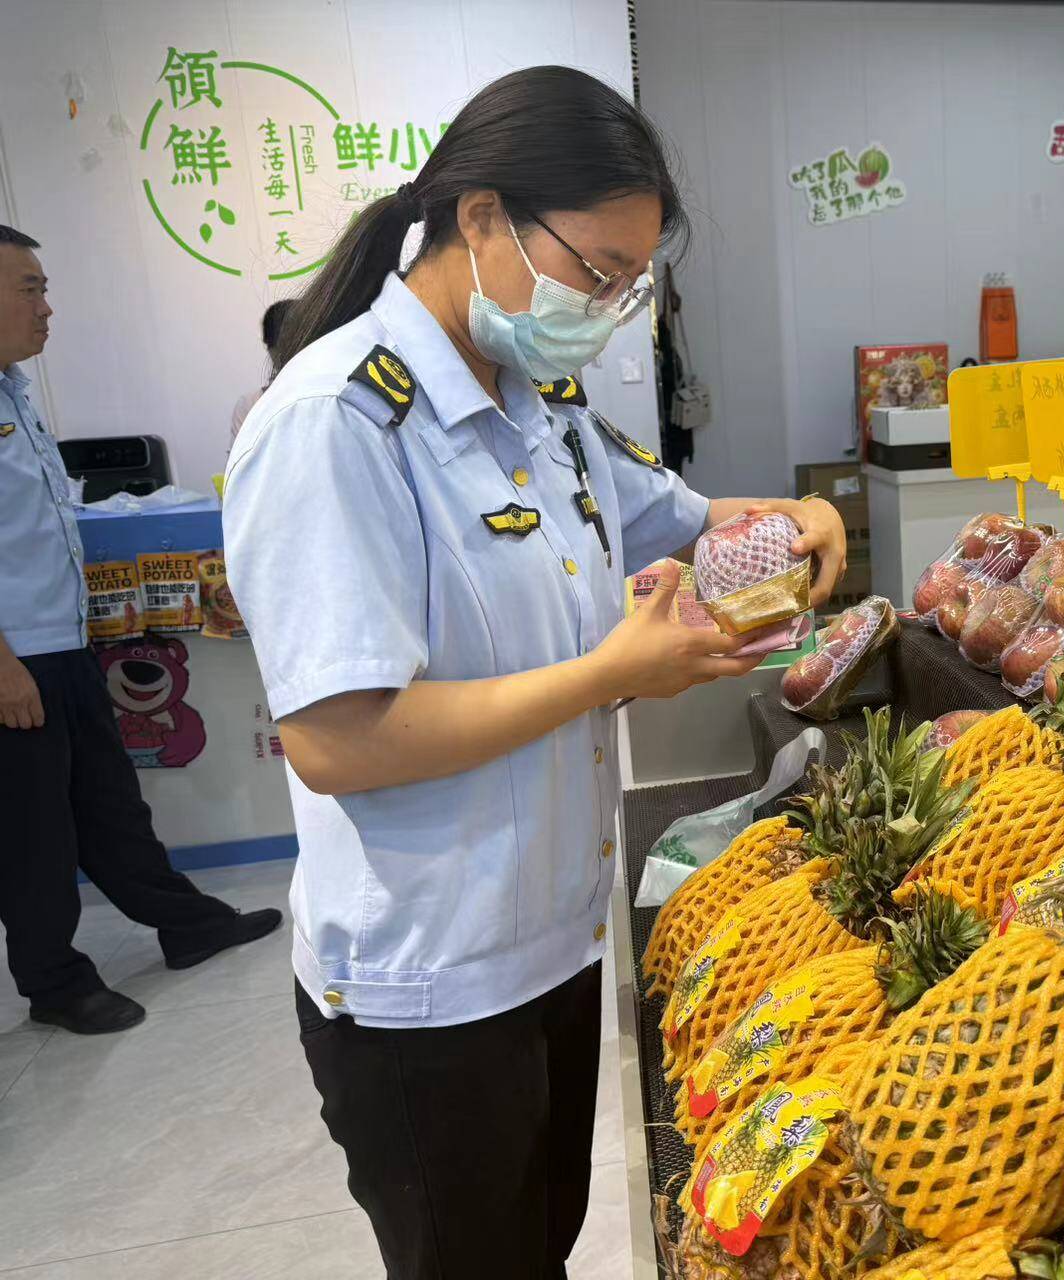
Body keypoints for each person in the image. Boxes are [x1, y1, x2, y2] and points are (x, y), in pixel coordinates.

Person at [221, 66, 847, 1279]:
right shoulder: (335, 425)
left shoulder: (540, 402)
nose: (609, 309)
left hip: (552, 941)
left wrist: (802, 514)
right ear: (482, 219)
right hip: (429, 985)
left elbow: (688, 516)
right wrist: (610, 673)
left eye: (632, 285)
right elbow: (339, 738)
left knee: (537, 1247)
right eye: (597, 273)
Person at [0, 224, 282, 1036]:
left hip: (60, 641)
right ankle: (54, 980)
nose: (48, 308)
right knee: (35, 832)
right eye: (30, 290)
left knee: (110, 804)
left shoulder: (14, 388)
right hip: (15, 660)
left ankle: (187, 925)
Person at [229, 299, 294, 449]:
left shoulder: (329, 399)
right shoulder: (249, 405)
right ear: (271, 349)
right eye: (283, 343)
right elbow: (239, 468)